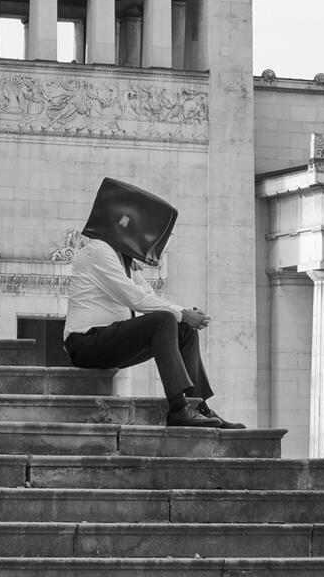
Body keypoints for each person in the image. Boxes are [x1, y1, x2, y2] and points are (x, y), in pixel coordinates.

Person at [64, 178, 244, 429]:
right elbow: (134, 299)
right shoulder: (98, 251)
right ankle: (179, 408)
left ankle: (197, 404)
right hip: (86, 343)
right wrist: (179, 313)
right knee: (165, 319)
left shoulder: (124, 259)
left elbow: (149, 295)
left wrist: (183, 314)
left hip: (109, 342)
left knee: (183, 328)